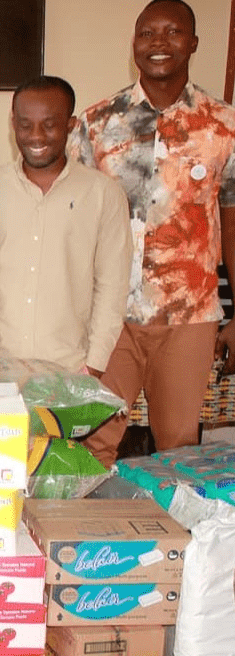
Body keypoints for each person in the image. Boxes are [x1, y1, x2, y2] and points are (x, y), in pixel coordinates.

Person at [69, 0, 235, 467]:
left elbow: (232, 218)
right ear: (134, 45)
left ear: (194, 43)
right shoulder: (96, 123)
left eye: (172, 31)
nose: (158, 42)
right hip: (107, 313)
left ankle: (171, 540)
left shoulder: (224, 125)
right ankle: (81, 536)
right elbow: (75, 217)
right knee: (91, 441)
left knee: (179, 448)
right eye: (147, 33)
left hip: (187, 317)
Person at [0, 76, 131, 374]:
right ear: (13, 123)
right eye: (24, 124)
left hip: (68, 367)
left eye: (49, 124)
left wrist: (94, 364)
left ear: (71, 125)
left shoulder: (103, 194)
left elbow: (112, 286)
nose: (36, 136)